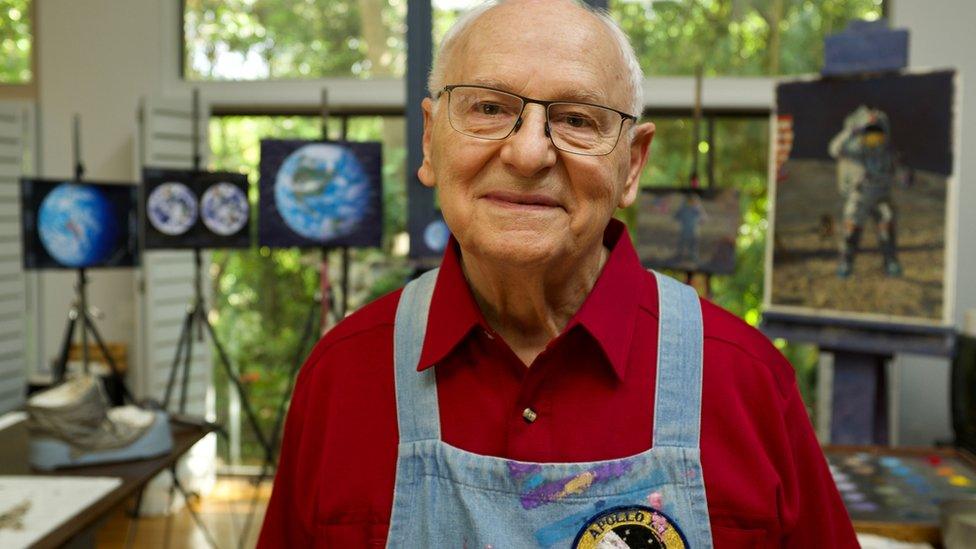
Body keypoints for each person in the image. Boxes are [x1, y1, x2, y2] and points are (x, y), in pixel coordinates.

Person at [258, 0, 858, 546]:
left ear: (632, 164)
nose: (528, 154)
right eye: (489, 108)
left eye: (577, 119)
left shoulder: (747, 384)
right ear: (430, 141)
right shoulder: (340, 380)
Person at [829, 105, 904, 278]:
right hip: (861, 195)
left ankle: (891, 261)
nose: (874, 136)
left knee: (887, 218)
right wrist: (851, 131)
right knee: (851, 225)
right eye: (870, 132)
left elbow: (901, 172)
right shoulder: (857, 149)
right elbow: (834, 149)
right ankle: (846, 262)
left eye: (877, 131)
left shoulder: (888, 152)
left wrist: (903, 175)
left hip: (881, 195)